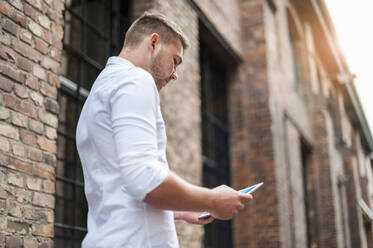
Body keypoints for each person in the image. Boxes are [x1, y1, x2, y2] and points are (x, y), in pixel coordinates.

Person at [76, 12, 252, 248]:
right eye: (175, 60)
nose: (175, 74)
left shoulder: (102, 87)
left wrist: (179, 210)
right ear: (154, 42)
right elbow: (144, 178)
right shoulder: (137, 80)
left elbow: (120, 187)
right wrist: (212, 200)